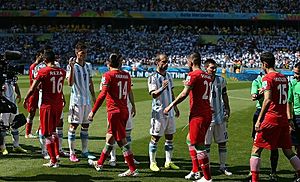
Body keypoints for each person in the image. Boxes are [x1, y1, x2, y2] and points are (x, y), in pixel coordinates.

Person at [249, 52, 300, 182]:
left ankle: (254, 180)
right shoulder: (283, 77)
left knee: (256, 149)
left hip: (271, 118)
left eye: (261, 64)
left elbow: (267, 100)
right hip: (283, 119)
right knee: (288, 151)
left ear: (264, 64)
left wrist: (259, 120)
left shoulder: (267, 78)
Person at [87, 53, 138, 177]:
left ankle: (132, 169)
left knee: (121, 141)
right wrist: (134, 105)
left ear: (108, 63)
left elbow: (102, 95)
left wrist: (93, 111)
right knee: (111, 138)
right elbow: (129, 91)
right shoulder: (126, 75)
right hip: (124, 110)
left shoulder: (108, 75)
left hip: (114, 112)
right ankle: (99, 163)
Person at [164, 52, 212, 182]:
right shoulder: (207, 76)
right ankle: (195, 170)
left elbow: (184, 94)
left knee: (199, 145)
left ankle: (207, 178)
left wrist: (171, 105)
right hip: (207, 112)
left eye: (187, 62)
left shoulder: (193, 74)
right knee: (189, 139)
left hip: (198, 114)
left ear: (191, 62)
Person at [23, 50, 66, 167]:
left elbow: (33, 88)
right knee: (53, 131)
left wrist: (26, 99)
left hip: (47, 105)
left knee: (46, 133)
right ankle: (57, 154)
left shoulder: (43, 71)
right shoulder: (62, 71)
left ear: (45, 60)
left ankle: (53, 160)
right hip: (58, 104)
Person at [33, 46, 68, 159]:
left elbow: (35, 85)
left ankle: (55, 154)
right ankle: (45, 151)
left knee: (50, 128)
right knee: (48, 127)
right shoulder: (59, 69)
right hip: (52, 99)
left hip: (49, 100)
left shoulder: (42, 69)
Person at [147, 54, 180, 172]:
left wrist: (175, 107)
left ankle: (168, 161)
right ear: (157, 62)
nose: (166, 64)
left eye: (167, 62)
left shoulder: (169, 75)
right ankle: (152, 162)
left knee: (170, 137)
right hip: (159, 112)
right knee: (155, 138)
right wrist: (162, 87)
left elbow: (171, 92)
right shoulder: (153, 77)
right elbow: (153, 94)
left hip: (169, 111)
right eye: (164, 62)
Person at [67, 42, 96, 162]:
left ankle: (84, 151)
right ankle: (72, 153)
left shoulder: (88, 65)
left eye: (85, 53)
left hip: (87, 101)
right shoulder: (71, 66)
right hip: (76, 101)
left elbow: (90, 82)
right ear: (76, 53)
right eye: (81, 53)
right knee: (73, 126)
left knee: (85, 126)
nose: (84, 55)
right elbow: (69, 83)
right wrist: (72, 67)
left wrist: (94, 97)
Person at [203, 59, 232, 176]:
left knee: (222, 142)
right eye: (211, 68)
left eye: (215, 68)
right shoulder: (202, 80)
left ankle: (223, 166)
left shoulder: (221, 80)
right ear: (206, 68)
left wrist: (228, 108)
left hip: (220, 115)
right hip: (207, 117)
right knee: (206, 144)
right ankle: (207, 167)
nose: (214, 70)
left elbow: (224, 94)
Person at [250, 73, 279, 181]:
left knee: (274, 145)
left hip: (271, 112)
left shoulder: (274, 80)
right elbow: (254, 97)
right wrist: (261, 93)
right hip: (260, 112)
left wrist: (267, 92)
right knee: (256, 143)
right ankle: (253, 172)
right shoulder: (257, 81)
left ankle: (273, 172)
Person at [0, 81, 28, 155]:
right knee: (3, 126)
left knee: (15, 124)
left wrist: (18, 93)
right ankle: (3, 147)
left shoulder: (10, 74)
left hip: (13, 103)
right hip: (3, 104)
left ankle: (16, 145)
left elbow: (15, 83)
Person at [25, 49, 43, 139]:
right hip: (34, 92)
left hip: (40, 92)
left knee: (42, 112)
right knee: (32, 112)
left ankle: (40, 129)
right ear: (38, 56)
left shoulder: (41, 66)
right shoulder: (34, 66)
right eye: (41, 55)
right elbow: (34, 79)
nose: (43, 57)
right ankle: (27, 132)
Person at [287, 62, 300, 179]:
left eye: (297, 73)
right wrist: (289, 118)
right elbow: (288, 101)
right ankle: (298, 171)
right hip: (296, 118)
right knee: (296, 146)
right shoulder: (293, 83)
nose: (295, 75)